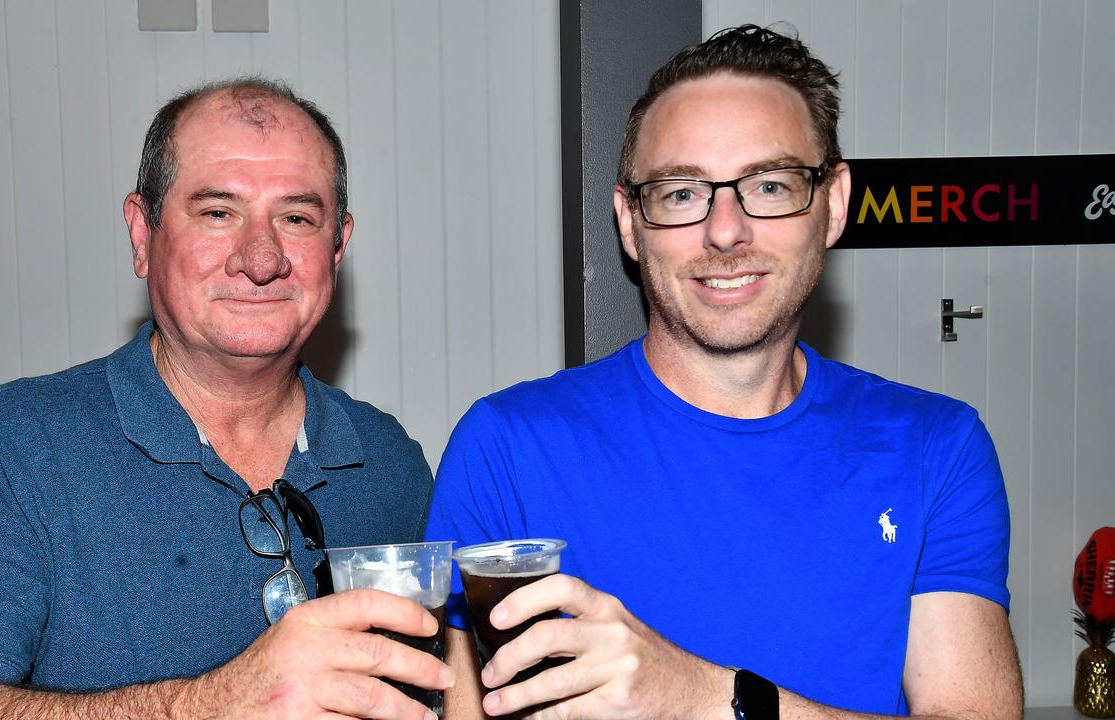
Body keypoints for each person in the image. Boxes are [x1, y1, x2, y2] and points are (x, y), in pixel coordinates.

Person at [427, 25, 1022, 720]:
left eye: (769, 185)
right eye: (682, 193)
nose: (726, 231)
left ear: (832, 204)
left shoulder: (934, 448)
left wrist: (702, 696)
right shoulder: (508, 448)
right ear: (629, 221)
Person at [0, 77, 448, 720]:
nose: (260, 259)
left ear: (337, 248)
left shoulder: (389, 461)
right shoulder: (10, 449)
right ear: (142, 235)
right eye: (217, 212)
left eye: (295, 217)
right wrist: (212, 705)